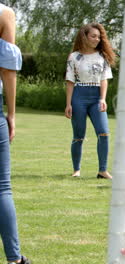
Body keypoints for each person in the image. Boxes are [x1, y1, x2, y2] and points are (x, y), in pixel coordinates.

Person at [0, 3, 32, 264]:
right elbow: (8, 70)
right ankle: (14, 259)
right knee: (1, 188)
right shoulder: (4, 13)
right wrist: (12, 114)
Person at [65, 23, 116, 179]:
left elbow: (104, 80)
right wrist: (68, 104)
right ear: (84, 36)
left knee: (104, 133)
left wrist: (103, 98)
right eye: (93, 36)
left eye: (99, 37)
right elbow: (70, 81)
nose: (97, 39)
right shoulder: (74, 57)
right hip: (78, 96)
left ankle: (102, 170)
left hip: (96, 98)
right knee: (78, 135)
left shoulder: (103, 57)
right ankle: (76, 170)